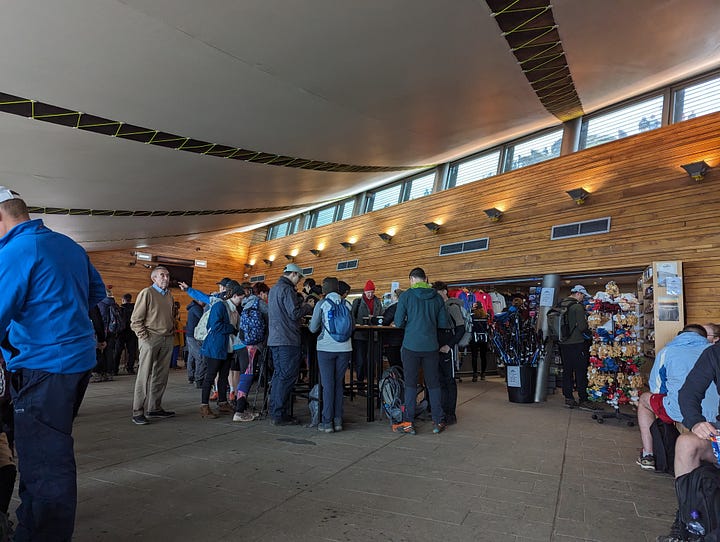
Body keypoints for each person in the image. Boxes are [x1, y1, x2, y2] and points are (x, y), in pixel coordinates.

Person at [0, 186, 106, 541]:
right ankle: (30, 524)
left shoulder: (16, 250)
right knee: (39, 451)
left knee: (46, 461)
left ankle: (42, 534)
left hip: (44, 365)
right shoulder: (68, 245)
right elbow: (96, 294)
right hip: (76, 362)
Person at [654, 341, 720, 542]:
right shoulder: (715, 353)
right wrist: (696, 422)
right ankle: (687, 522)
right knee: (686, 443)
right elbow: (689, 392)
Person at [636, 324, 715, 470]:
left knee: (644, 400)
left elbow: (657, 389)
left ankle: (648, 455)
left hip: (682, 410)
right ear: (705, 338)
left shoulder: (667, 351)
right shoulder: (713, 352)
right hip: (716, 413)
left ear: (680, 334)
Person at [393, 267, 448, 435]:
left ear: (411, 280)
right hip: (431, 347)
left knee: (410, 384)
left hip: (410, 346)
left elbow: (398, 322)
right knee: (433, 384)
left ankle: (408, 422)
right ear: (425, 279)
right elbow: (443, 324)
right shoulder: (437, 298)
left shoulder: (406, 296)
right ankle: (438, 422)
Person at [130, 266, 176, 425]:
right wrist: (145, 338)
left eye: (167, 275)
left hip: (167, 338)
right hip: (150, 338)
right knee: (144, 375)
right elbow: (135, 321)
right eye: (162, 275)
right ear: (154, 278)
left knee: (161, 375)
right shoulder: (147, 293)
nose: (166, 278)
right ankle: (137, 411)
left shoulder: (169, 295)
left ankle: (154, 408)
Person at [309, 277, 353, 433]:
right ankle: (338, 420)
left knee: (328, 385)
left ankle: (327, 422)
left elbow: (313, 328)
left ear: (324, 290)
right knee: (338, 383)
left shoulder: (322, 304)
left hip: (326, 348)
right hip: (345, 348)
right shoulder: (347, 304)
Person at [200, 280, 245, 419]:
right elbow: (214, 326)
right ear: (235, 296)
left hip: (227, 348)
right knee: (210, 377)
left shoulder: (234, 310)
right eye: (241, 299)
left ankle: (223, 402)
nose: (241, 302)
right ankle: (204, 406)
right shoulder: (220, 306)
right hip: (215, 348)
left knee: (224, 377)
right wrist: (232, 328)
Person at [267, 263, 306, 425]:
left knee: (279, 375)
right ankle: (279, 414)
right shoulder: (287, 290)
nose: (299, 281)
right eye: (299, 278)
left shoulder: (274, 289)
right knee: (287, 376)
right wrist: (308, 306)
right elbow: (294, 313)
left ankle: (274, 410)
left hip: (275, 339)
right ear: (294, 275)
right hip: (288, 339)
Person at [558, 285, 602, 411]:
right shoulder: (577, 306)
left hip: (563, 343)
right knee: (580, 371)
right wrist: (591, 332)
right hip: (577, 343)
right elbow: (582, 327)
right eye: (582, 295)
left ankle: (569, 398)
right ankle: (583, 399)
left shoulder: (561, 305)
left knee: (567, 370)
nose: (583, 298)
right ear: (578, 293)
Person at [233, 282, 269, 422]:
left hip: (240, 344)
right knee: (247, 376)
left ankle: (241, 407)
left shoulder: (245, 303)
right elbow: (272, 318)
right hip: (252, 346)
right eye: (265, 294)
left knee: (244, 375)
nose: (266, 297)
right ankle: (239, 412)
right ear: (261, 293)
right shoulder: (260, 304)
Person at [432, 281, 465, 426]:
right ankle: (443, 412)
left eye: (438, 292)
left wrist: (449, 346)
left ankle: (450, 413)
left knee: (449, 381)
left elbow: (461, 328)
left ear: (444, 292)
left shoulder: (452, 307)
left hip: (447, 349)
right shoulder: (439, 307)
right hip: (438, 348)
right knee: (440, 381)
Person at [351, 280, 383, 392]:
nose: (370, 294)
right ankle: (360, 384)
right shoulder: (358, 302)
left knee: (372, 360)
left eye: (372, 292)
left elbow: (381, 316)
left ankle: (371, 384)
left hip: (373, 335)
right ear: (364, 292)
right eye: (368, 292)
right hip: (360, 335)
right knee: (360, 360)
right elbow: (352, 316)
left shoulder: (378, 302)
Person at [115, 293, 138, 374]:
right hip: (132, 332)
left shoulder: (120, 309)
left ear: (123, 300)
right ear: (130, 299)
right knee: (131, 352)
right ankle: (130, 368)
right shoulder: (135, 308)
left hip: (121, 333)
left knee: (118, 351)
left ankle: (115, 369)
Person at [381, 288, 404, 367]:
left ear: (395, 297)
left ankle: (397, 379)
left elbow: (385, 321)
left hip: (393, 339)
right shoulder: (407, 306)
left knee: (394, 363)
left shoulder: (394, 307)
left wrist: (373, 319)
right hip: (404, 339)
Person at [185, 299, 205, 387]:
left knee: (191, 356)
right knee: (200, 357)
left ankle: (191, 377)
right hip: (194, 336)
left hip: (189, 334)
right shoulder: (197, 308)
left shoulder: (192, 307)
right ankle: (199, 379)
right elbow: (203, 319)